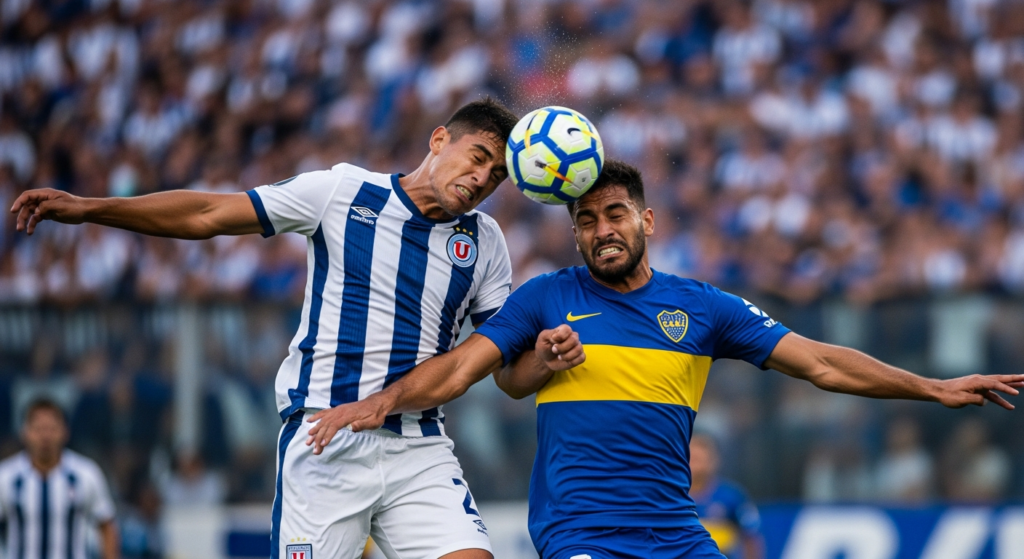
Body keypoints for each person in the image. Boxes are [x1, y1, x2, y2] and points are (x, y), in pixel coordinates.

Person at [309, 159, 1024, 559]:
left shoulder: (704, 308)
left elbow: (822, 363)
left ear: (646, 220)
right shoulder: (546, 297)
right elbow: (476, 371)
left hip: (675, 532)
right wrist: (378, 402)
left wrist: (930, 387)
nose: (600, 229)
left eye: (614, 213)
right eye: (585, 220)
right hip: (582, 532)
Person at [10, 98, 573, 559]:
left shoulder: (485, 243)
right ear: (438, 140)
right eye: (477, 157)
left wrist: (541, 362)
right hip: (325, 439)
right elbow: (208, 214)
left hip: (418, 446)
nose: (480, 178)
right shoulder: (343, 192)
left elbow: (504, 375)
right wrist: (90, 208)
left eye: (497, 175)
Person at [0, 398, 120, 559]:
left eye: (52, 429)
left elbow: (106, 525)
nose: (45, 436)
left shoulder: (85, 474)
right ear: (25, 433)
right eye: (38, 429)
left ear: (65, 431)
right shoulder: (7, 477)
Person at [689, 433, 763, 559]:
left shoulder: (732, 496)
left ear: (714, 461)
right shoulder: (670, 497)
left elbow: (751, 538)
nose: (696, 466)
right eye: (692, 459)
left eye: (701, 460)